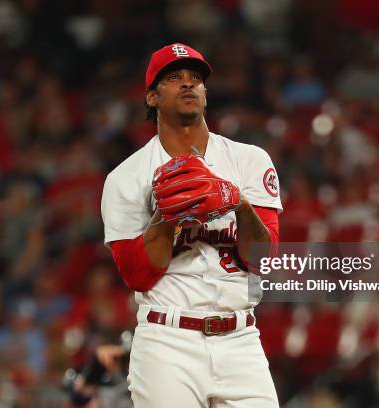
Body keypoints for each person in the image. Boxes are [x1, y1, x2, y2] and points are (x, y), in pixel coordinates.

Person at [101, 43, 282, 407]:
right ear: (152, 97)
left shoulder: (248, 160)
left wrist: (239, 203)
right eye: (174, 78)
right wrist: (167, 216)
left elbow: (263, 259)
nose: (188, 84)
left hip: (240, 339)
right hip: (168, 343)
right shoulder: (125, 178)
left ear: (205, 92)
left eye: (195, 78)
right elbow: (136, 275)